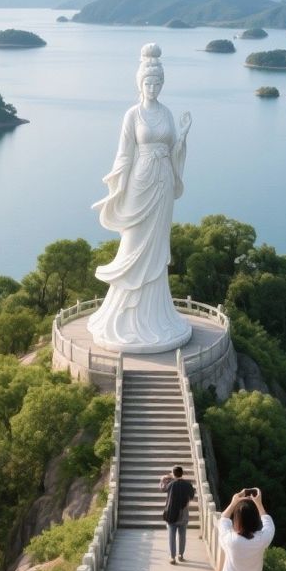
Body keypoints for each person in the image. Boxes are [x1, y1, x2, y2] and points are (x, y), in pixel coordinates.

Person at [87, 42, 193, 353]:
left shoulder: (167, 113)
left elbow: (172, 149)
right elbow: (124, 154)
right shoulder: (132, 114)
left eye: (158, 83)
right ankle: (123, 315)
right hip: (139, 182)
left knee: (158, 244)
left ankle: (156, 314)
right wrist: (113, 186)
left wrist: (183, 137)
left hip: (162, 183)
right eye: (148, 82)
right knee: (133, 243)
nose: (153, 88)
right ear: (140, 83)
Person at [160, 465, 194, 563]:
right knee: (182, 536)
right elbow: (191, 496)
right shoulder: (188, 484)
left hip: (172, 514)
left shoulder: (171, 484)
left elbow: (162, 488)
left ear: (174, 474)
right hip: (184, 514)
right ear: (182, 473)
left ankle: (172, 557)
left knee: (172, 536)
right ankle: (181, 555)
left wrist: (162, 479)